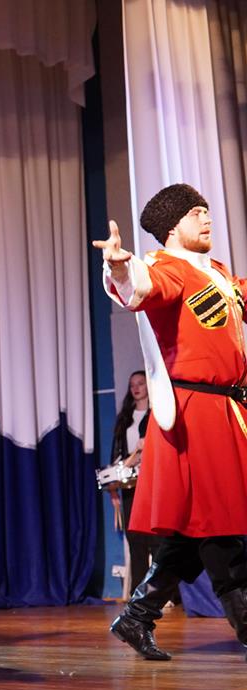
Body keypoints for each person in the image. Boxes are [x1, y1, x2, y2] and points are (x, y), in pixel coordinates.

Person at [93, 183, 247, 661]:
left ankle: (137, 616)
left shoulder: (217, 273)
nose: (207, 218)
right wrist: (118, 266)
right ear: (173, 227)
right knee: (221, 526)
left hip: (228, 409)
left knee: (195, 528)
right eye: (196, 213)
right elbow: (138, 287)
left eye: (207, 211)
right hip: (197, 411)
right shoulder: (168, 268)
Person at [108, 370, 159, 593]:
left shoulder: (156, 413)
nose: (136, 388)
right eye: (132, 385)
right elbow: (116, 454)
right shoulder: (125, 418)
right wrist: (112, 486)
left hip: (153, 482)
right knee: (135, 536)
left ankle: (160, 590)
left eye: (141, 383)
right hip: (130, 484)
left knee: (157, 537)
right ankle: (139, 591)